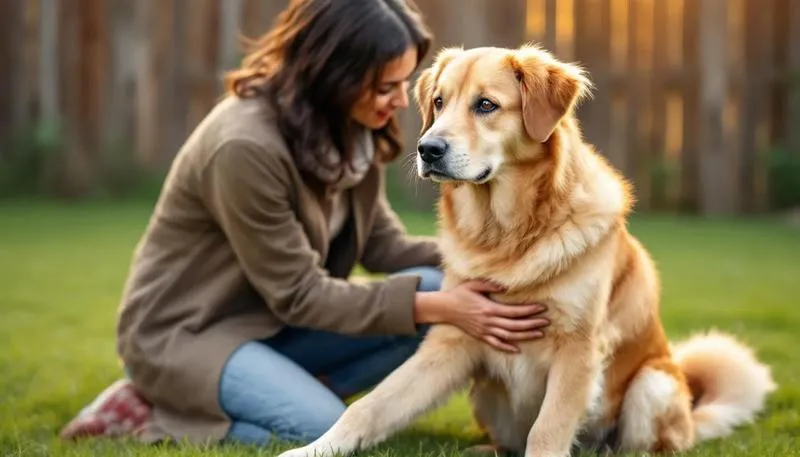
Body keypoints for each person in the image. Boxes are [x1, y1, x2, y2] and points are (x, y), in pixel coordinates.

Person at [59, 0, 550, 448]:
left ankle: (275, 386)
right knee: (320, 425)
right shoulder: (243, 148)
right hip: (188, 336)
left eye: (404, 83)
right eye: (385, 86)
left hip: (271, 326)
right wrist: (444, 305)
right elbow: (299, 293)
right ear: (332, 77)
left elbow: (384, 247)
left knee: (434, 284)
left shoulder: (352, 130)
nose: (404, 101)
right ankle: (152, 409)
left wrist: (510, 254)